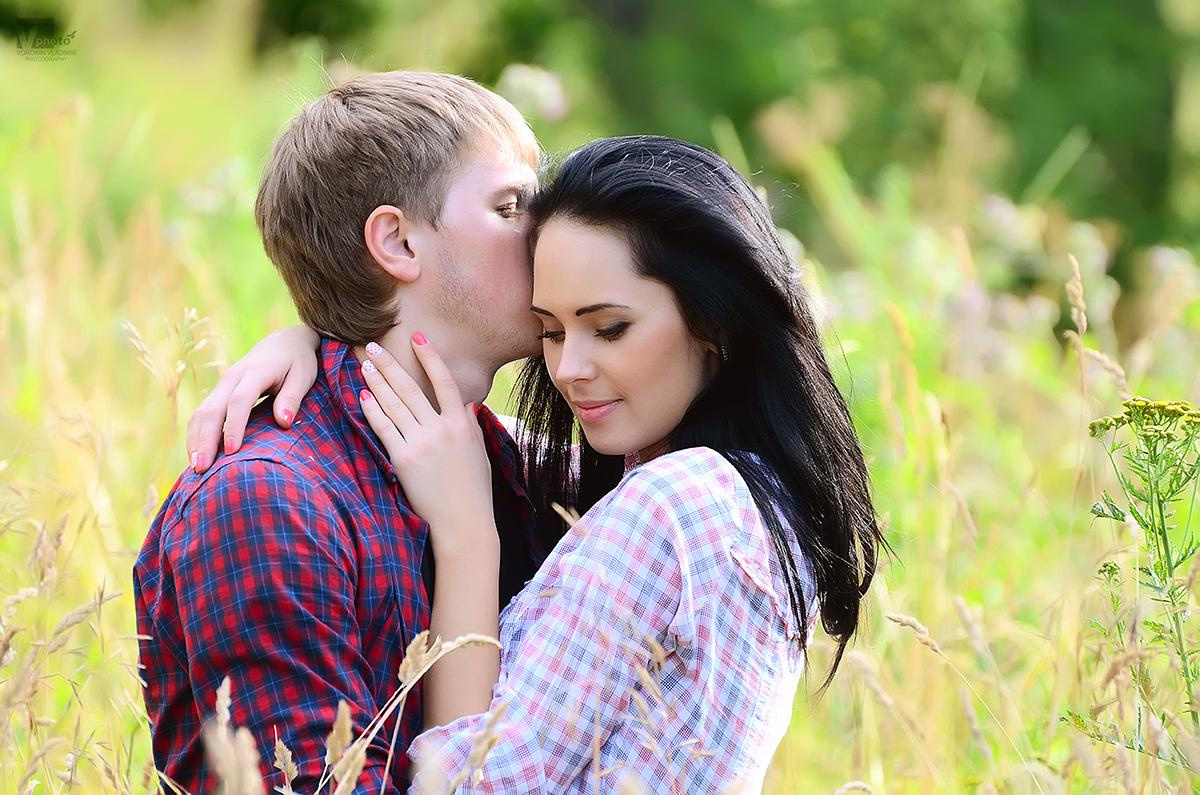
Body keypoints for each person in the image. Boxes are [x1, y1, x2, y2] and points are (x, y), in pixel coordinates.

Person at [200, 135, 886, 791]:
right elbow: (439, 431)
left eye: (610, 327)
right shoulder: (730, 490)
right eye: (551, 331)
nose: (570, 370)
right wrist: (317, 341)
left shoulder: (677, 504)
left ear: (715, 321)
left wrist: (467, 535)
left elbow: (469, 787)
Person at [133, 71, 557, 792]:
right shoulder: (269, 500)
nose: (547, 230)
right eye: (511, 204)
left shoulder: (503, 459)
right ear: (396, 241)